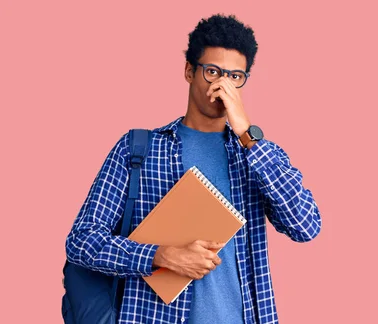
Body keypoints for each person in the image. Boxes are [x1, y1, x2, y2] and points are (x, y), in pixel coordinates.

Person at [65, 13, 322, 324]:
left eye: (235, 76)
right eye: (213, 72)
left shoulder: (256, 154)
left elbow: (305, 226)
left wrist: (247, 133)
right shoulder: (140, 150)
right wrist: (158, 256)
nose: (222, 85)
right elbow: (82, 241)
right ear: (189, 70)